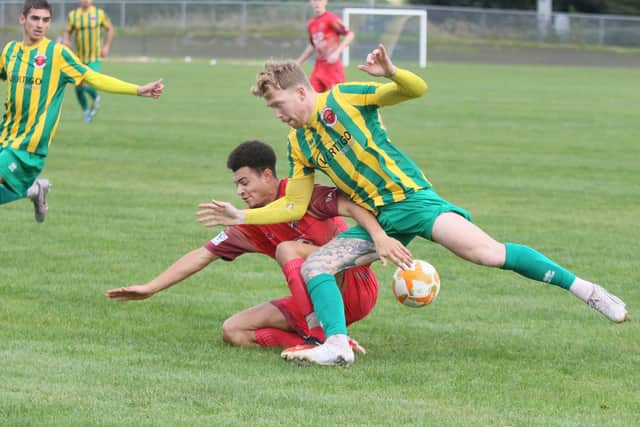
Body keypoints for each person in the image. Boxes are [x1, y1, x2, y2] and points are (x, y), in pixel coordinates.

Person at [197, 43, 629, 367]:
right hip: (380, 219)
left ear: (300, 91)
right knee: (315, 266)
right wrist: (243, 215)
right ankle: (336, 345)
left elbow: (415, 90)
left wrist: (392, 72)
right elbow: (294, 205)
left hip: (414, 201)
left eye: (277, 104)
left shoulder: (346, 98)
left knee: (487, 254)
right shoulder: (300, 142)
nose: (276, 114)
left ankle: (587, 290)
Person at [105, 140, 406, 355]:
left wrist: (379, 238)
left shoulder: (302, 194)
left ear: (267, 174)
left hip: (354, 285)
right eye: (236, 185)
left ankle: (320, 338)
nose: (240, 191)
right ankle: (324, 342)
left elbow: (352, 205)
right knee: (233, 331)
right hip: (311, 300)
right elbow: (203, 254)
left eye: (245, 182)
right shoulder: (249, 224)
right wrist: (151, 287)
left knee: (287, 249)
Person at [0, 0, 163, 222]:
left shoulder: (56, 54)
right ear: (22, 19)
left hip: (29, 146)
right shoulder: (10, 50)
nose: (40, 25)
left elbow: (92, 77)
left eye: (45, 20)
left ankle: (34, 189)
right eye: (35, 18)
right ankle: (34, 191)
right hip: (5, 137)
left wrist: (137, 89)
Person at [62, 0, 113, 123]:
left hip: (93, 58)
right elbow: (67, 33)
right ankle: (86, 112)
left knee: (85, 83)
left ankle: (95, 97)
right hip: (78, 58)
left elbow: (109, 29)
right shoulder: (73, 15)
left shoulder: (99, 13)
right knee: (78, 87)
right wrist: (66, 42)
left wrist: (106, 46)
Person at [296, 0, 354, 93]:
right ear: (311, 2)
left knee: (336, 99)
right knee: (313, 99)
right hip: (318, 67)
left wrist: (337, 52)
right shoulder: (311, 23)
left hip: (332, 67)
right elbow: (313, 45)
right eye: (314, 0)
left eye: (320, 0)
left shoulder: (331, 18)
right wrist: (298, 62)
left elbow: (350, 35)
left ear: (325, 1)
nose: (317, 3)